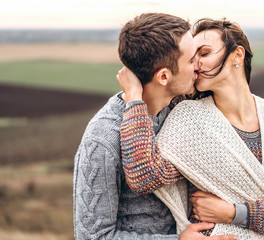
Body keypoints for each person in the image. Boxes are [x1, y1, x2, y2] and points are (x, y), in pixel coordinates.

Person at [118, 18, 264, 239]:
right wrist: (135, 100)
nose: (196, 64)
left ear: (237, 55)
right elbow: (144, 176)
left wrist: (235, 213)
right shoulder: (189, 117)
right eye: (192, 58)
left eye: (204, 53)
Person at [73, 13, 237, 240]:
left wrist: (251, 221)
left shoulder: (185, 108)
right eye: (191, 61)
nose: (198, 67)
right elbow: (93, 236)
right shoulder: (103, 138)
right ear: (163, 76)